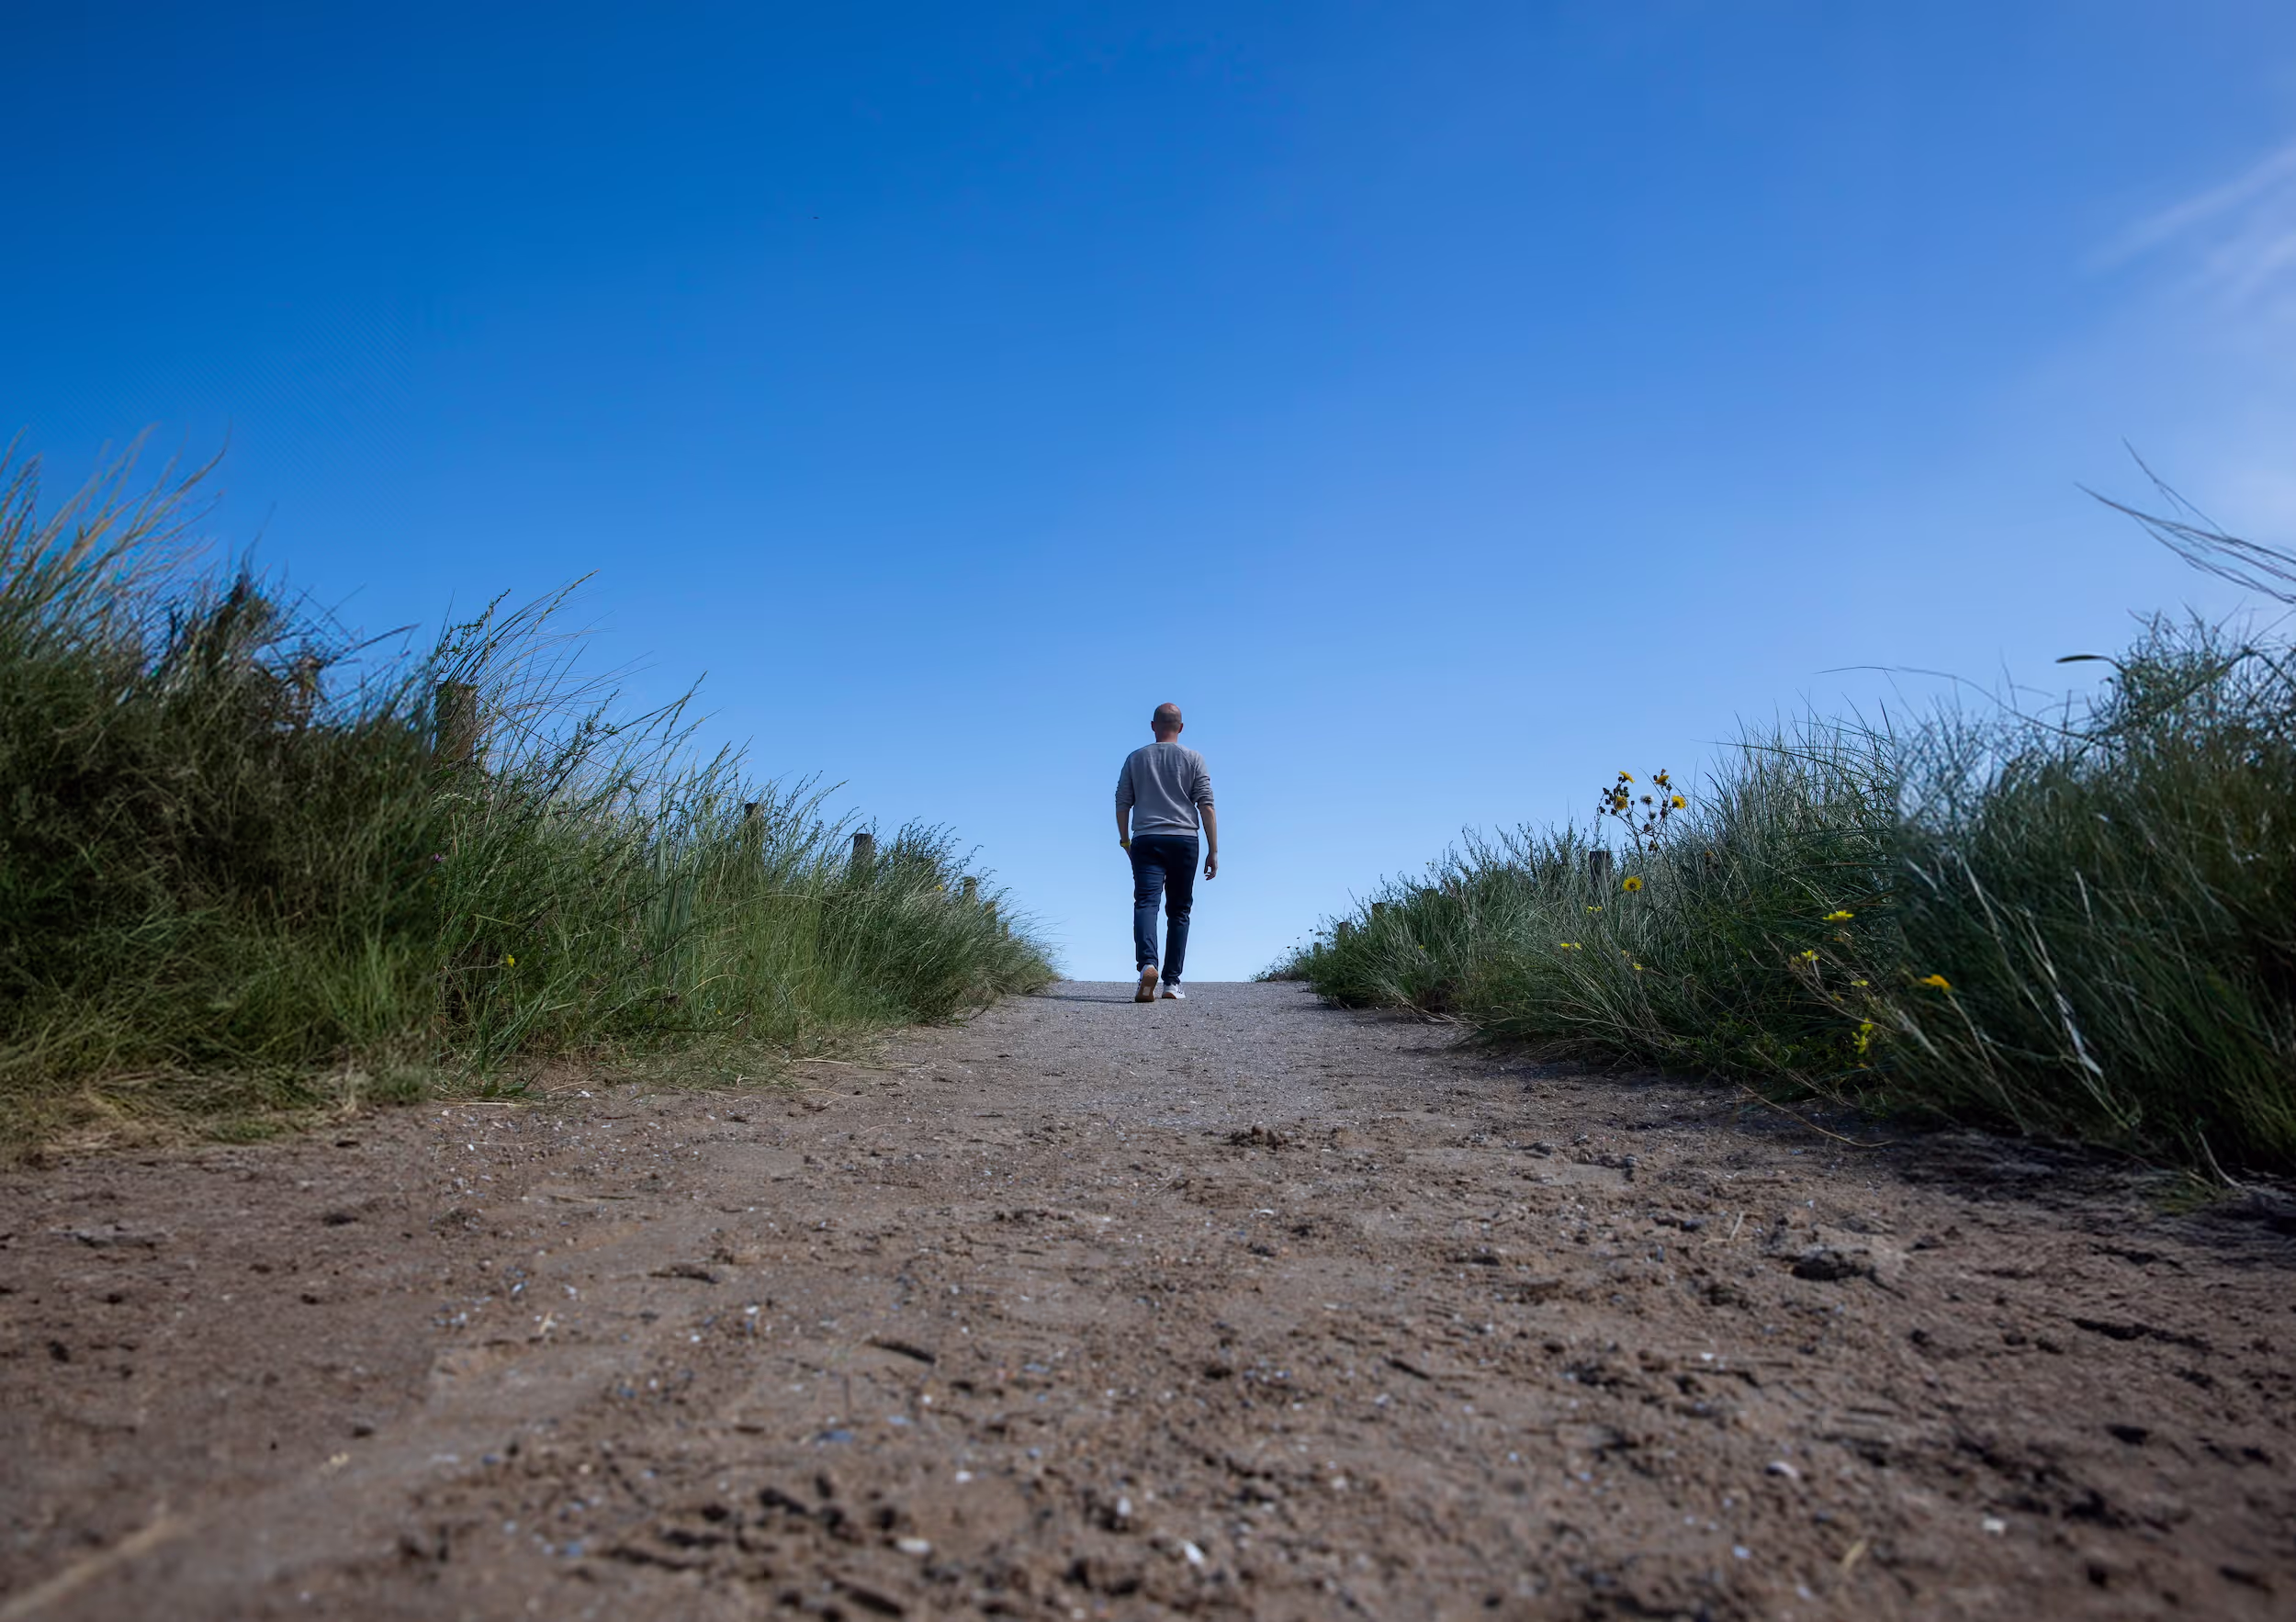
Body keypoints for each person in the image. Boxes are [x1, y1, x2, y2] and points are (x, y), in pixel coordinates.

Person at [1115, 703, 1218, 1002]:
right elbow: (1206, 805)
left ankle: (1148, 964)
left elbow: (1122, 803)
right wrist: (1213, 850)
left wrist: (1125, 841)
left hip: (1146, 839)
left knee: (1146, 903)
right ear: (1181, 727)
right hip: (1185, 839)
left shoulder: (1135, 758)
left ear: (1153, 726)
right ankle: (1172, 982)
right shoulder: (1194, 758)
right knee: (1179, 910)